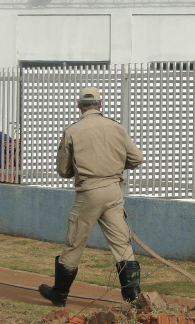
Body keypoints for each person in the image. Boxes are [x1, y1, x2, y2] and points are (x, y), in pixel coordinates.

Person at [38, 87, 144, 307]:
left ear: (79, 105)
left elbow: (63, 170)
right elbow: (136, 159)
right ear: (100, 104)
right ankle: (133, 297)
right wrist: (114, 166)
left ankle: (60, 293)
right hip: (114, 190)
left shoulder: (72, 131)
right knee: (121, 242)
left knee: (75, 241)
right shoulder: (117, 127)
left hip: (89, 192)